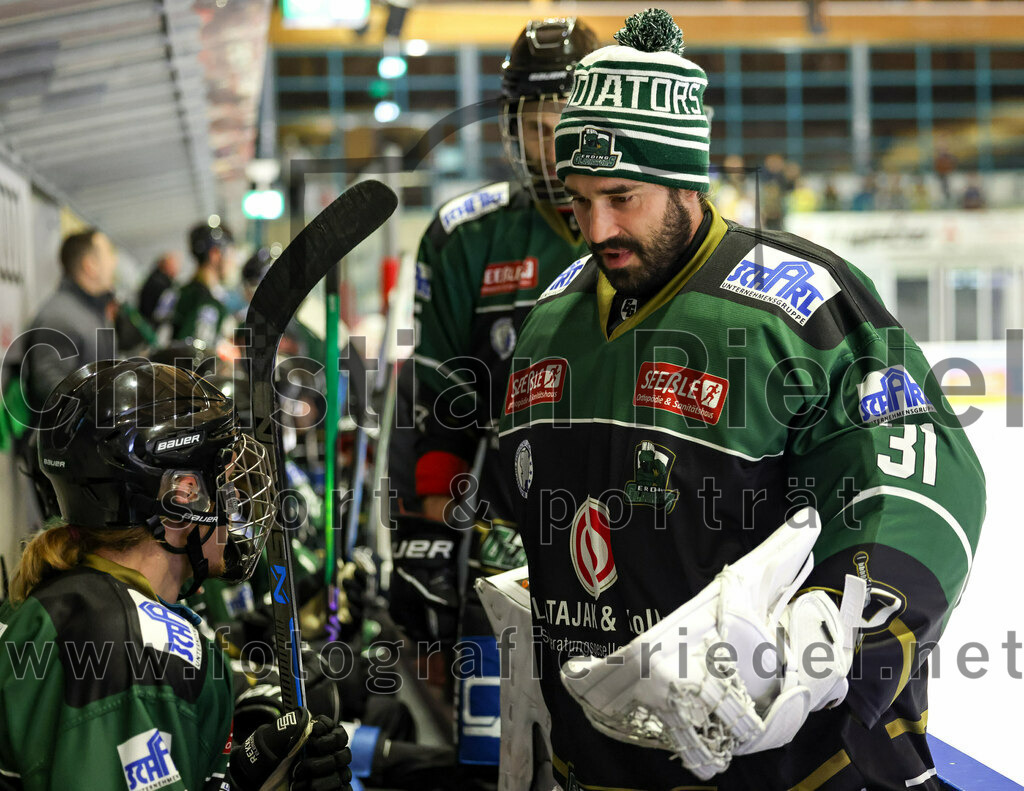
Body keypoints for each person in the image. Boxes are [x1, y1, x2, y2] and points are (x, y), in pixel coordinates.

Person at [498, 9, 985, 790]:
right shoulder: (552, 320)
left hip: (800, 768)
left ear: (685, 175)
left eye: (622, 196)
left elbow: (923, 483)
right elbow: (519, 501)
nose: (596, 227)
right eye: (579, 199)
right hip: (603, 765)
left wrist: (826, 636)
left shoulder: (801, 304)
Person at [387, 15, 597, 766]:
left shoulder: (653, 223)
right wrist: (423, 536)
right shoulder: (464, 237)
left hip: (630, 545)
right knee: (486, 758)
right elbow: (434, 406)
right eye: (535, 126)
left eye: (566, 123)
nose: (550, 147)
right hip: (501, 544)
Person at [0, 359, 353, 791]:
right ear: (182, 495)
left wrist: (241, 779)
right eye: (224, 482)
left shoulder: (76, 595)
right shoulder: (129, 648)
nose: (237, 501)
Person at [173, 222, 236, 350]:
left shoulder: (180, 290)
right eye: (230, 253)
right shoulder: (207, 303)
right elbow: (195, 357)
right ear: (215, 254)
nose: (233, 261)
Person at [138, 251, 182, 332]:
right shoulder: (161, 284)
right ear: (166, 266)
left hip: (145, 322)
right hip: (149, 326)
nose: (177, 269)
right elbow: (162, 312)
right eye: (174, 266)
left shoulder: (153, 278)